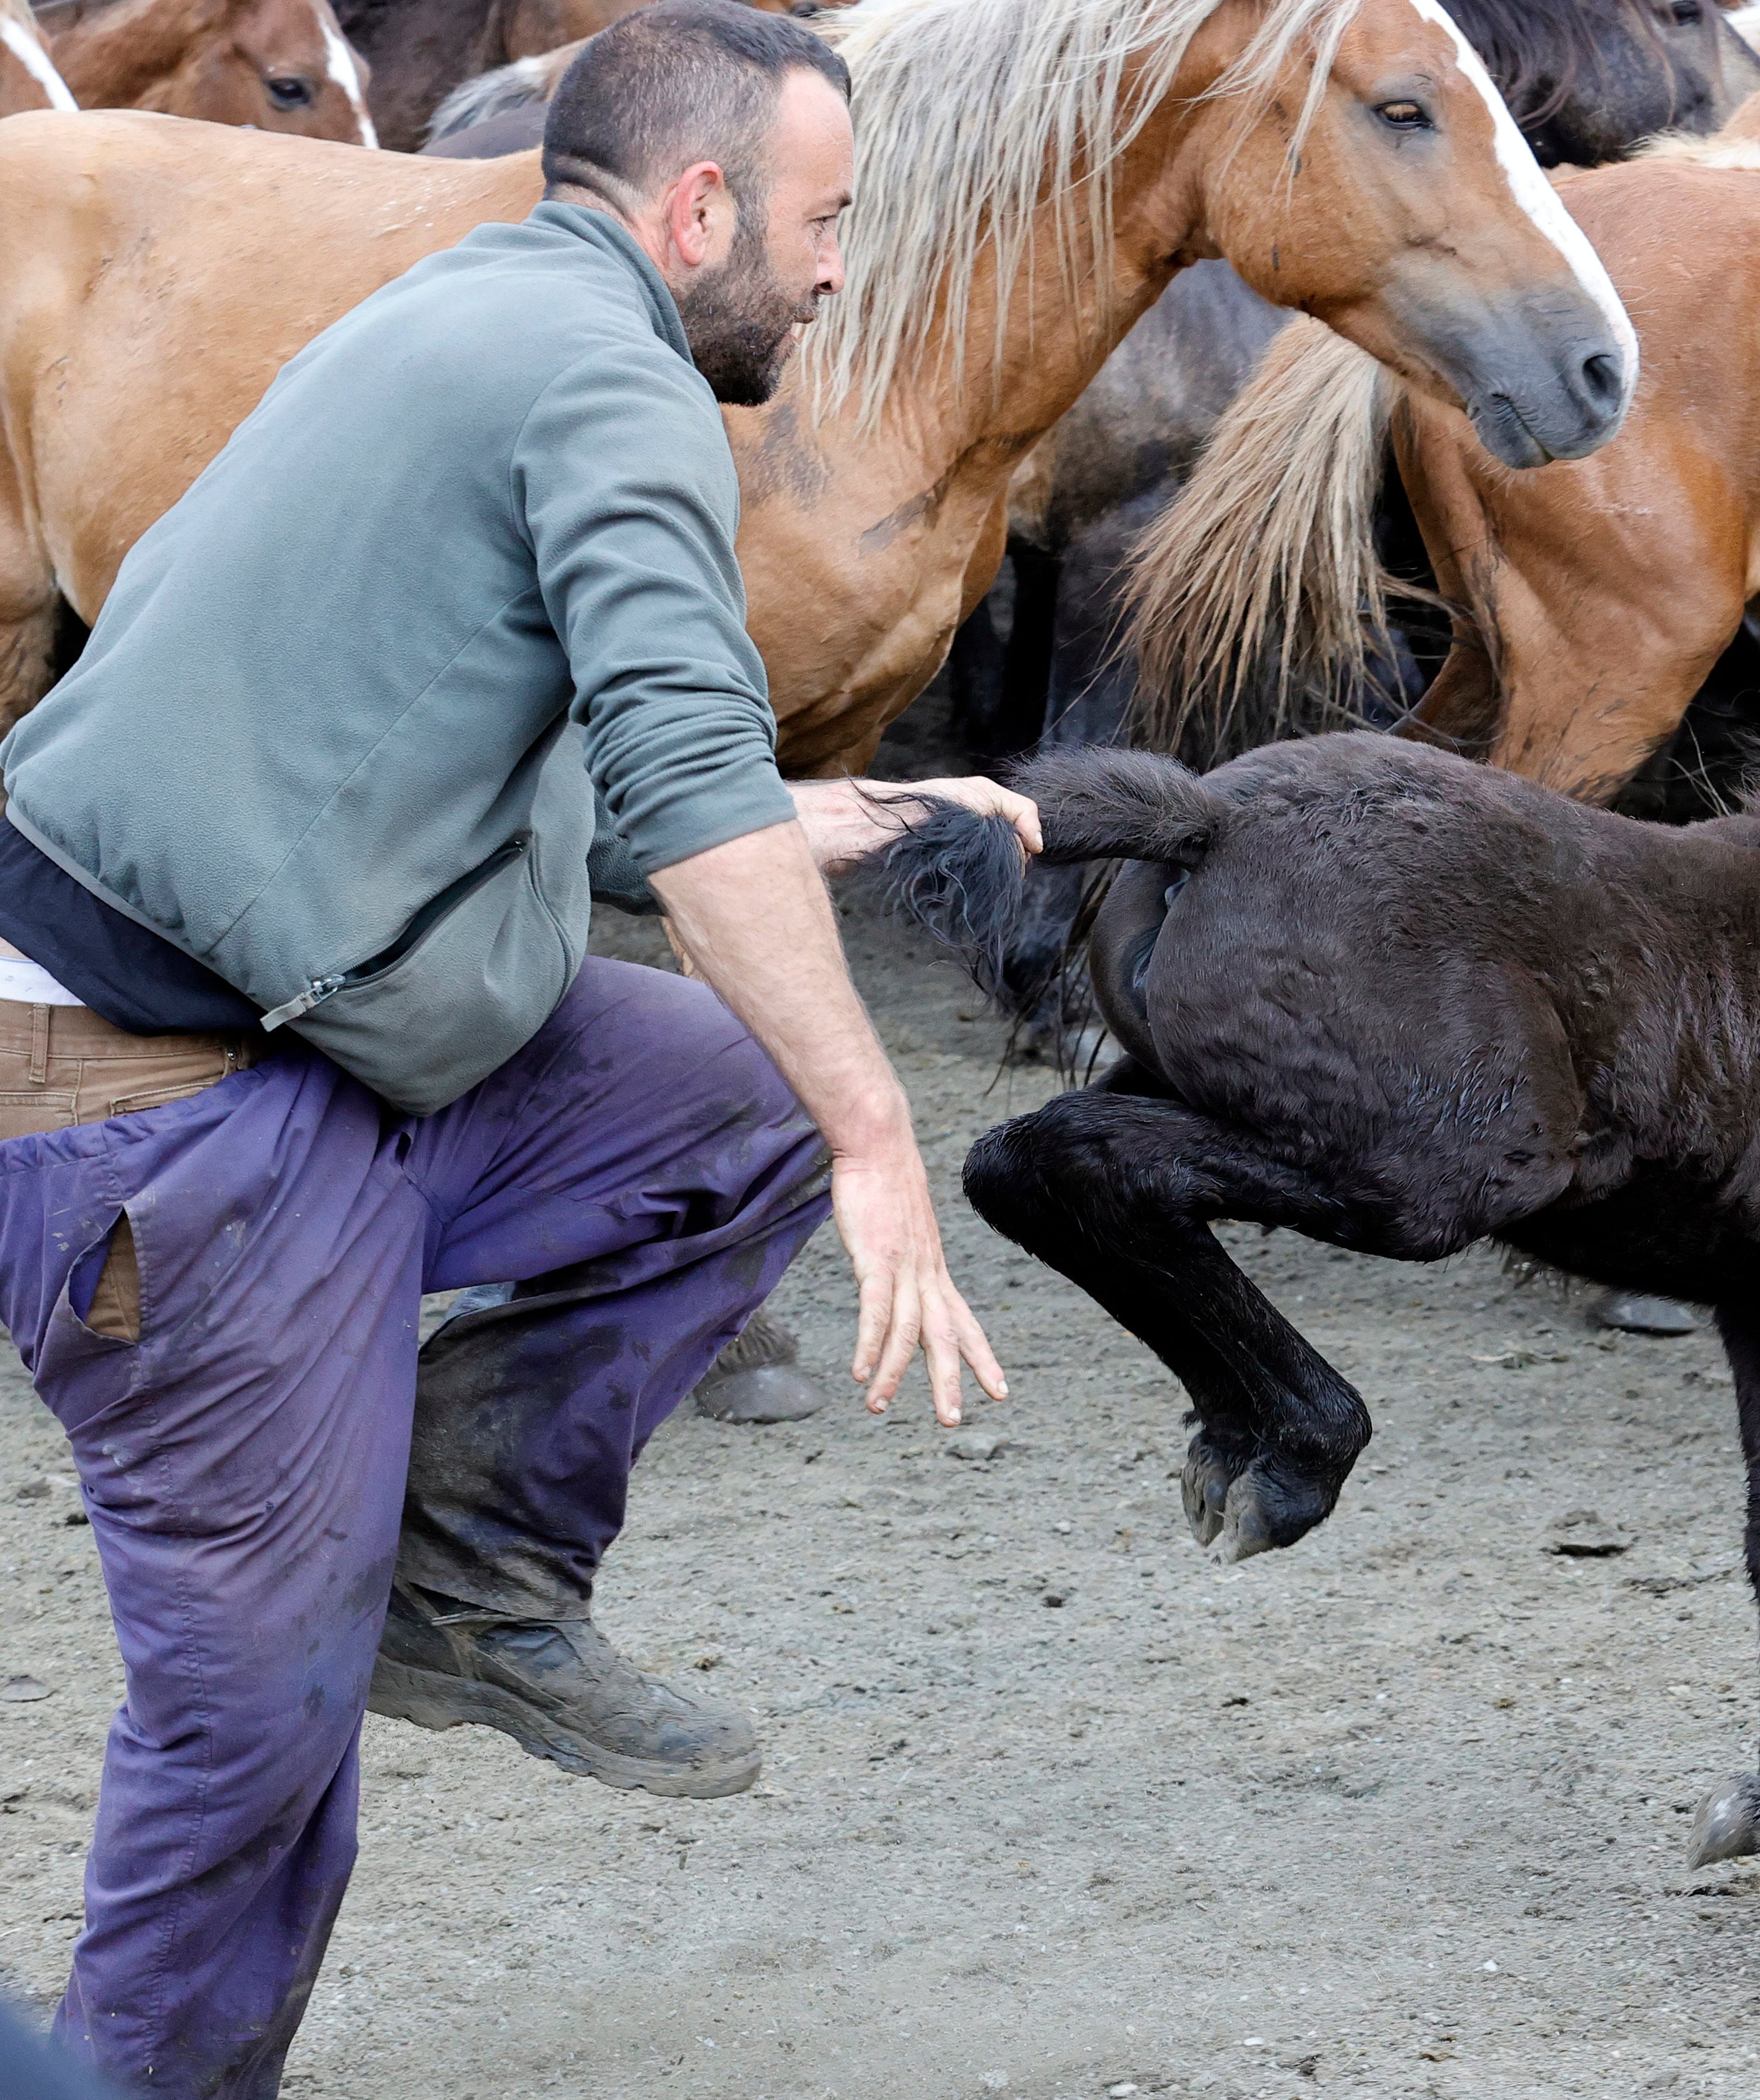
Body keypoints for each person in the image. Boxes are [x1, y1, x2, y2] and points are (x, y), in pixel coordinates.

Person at [0, 4, 1036, 2088]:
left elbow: (485, 696)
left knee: (710, 1106)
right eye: (826, 223)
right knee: (259, 1709)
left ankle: (463, 1547)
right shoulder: (611, 378)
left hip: (309, 1025)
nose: (842, 272)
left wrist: (785, 816)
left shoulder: (479, 308)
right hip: (152, 1102)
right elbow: (666, 748)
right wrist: (881, 1140)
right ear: (701, 204)